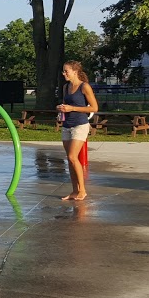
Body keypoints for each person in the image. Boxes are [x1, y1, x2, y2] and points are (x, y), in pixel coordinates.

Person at [57, 60, 98, 201]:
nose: (64, 73)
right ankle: (74, 191)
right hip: (67, 124)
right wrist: (62, 108)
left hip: (80, 125)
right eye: (63, 71)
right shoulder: (66, 87)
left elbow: (94, 108)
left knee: (73, 157)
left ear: (75, 71)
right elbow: (67, 104)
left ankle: (83, 190)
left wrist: (72, 108)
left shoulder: (84, 87)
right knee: (70, 160)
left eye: (66, 71)